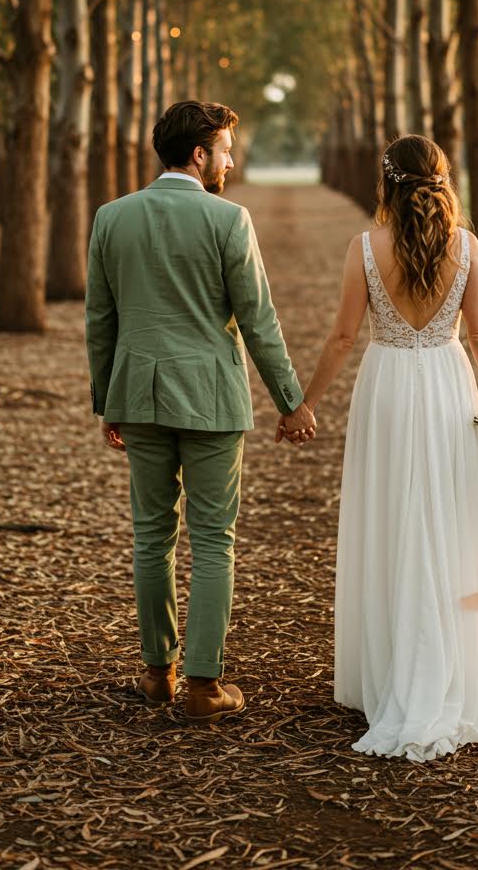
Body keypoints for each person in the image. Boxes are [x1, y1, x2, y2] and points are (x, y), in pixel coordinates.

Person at [294, 134, 478, 761]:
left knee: (392, 520)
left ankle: (391, 671)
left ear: (387, 183)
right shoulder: (467, 246)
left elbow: (344, 336)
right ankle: (445, 670)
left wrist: (306, 402)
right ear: (441, 179)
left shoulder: (364, 248)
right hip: (449, 386)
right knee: (446, 519)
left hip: (389, 385)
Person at [85, 100, 316, 725]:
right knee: (214, 540)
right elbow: (259, 321)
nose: (231, 159)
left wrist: (105, 398)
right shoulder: (228, 220)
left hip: (137, 395)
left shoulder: (111, 218)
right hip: (212, 397)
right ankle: (203, 685)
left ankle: (156, 673)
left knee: (150, 536)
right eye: (226, 148)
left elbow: (100, 320)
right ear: (199, 154)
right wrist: (290, 401)